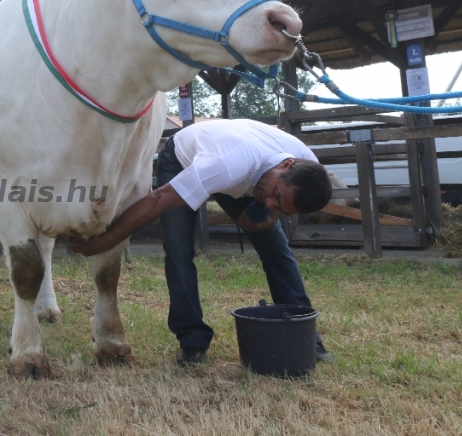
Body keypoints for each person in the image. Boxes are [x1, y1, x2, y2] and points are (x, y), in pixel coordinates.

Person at [71, 118, 334, 366]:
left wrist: (270, 215)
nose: (270, 203)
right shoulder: (224, 166)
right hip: (184, 158)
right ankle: (192, 340)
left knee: (276, 248)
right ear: (285, 165)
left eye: (282, 207)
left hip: (245, 171)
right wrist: (106, 240)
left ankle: (306, 336)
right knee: (179, 249)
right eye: (275, 195)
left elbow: (275, 201)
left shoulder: (308, 168)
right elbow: (158, 199)